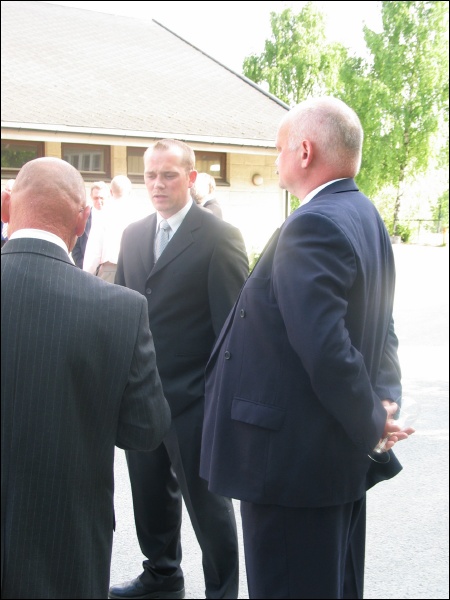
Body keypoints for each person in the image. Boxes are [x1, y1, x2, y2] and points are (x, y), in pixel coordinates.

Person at [200, 97, 415, 599]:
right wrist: (383, 401)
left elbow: (325, 347)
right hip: (328, 460)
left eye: (278, 148)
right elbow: (381, 324)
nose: (274, 158)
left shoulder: (312, 223)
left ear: (303, 150)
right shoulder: (364, 212)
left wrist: (373, 418)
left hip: (291, 467)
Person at [1, 157, 171, 600]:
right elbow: (145, 430)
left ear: (5, 208)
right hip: (67, 544)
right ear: (82, 220)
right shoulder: (121, 309)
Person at [108, 139, 249, 600]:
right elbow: (124, 310)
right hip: (141, 396)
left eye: (168, 175)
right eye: (150, 175)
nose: (157, 184)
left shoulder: (218, 237)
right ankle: (162, 577)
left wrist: (222, 404)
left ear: (190, 178)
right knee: (149, 497)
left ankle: (222, 592)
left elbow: (232, 331)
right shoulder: (133, 235)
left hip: (195, 403)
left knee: (209, 509)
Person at [83, 175, 137, 282]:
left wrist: (86, 277)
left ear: (111, 192)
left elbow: (93, 252)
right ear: (130, 192)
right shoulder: (139, 215)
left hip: (110, 272)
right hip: (134, 272)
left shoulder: (103, 215)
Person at [71, 180, 109, 268]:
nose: (99, 201)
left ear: (108, 197)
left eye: (102, 198)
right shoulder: (83, 217)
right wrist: (83, 266)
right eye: (96, 198)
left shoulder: (113, 218)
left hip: (108, 269)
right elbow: (75, 246)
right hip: (86, 269)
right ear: (91, 197)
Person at [1, 179, 15, 247]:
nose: (6, 193)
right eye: (5, 189)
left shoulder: (18, 209)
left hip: (11, 242)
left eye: (9, 190)